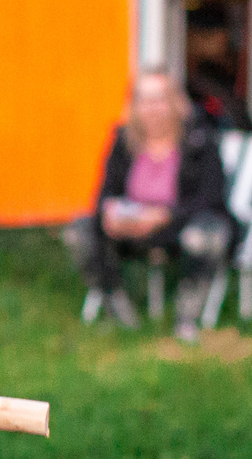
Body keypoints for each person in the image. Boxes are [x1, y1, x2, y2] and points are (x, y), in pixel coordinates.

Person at [74, 67, 237, 341]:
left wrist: (164, 215)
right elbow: (105, 194)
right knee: (79, 230)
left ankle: (187, 315)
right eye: (144, 99)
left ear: (175, 102)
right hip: (131, 227)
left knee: (206, 234)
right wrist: (113, 215)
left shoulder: (199, 139)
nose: (152, 108)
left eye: (159, 99)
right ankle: (117, 305)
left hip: (179, 225)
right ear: (134, 105)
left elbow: (211, 197)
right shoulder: (123, 140)